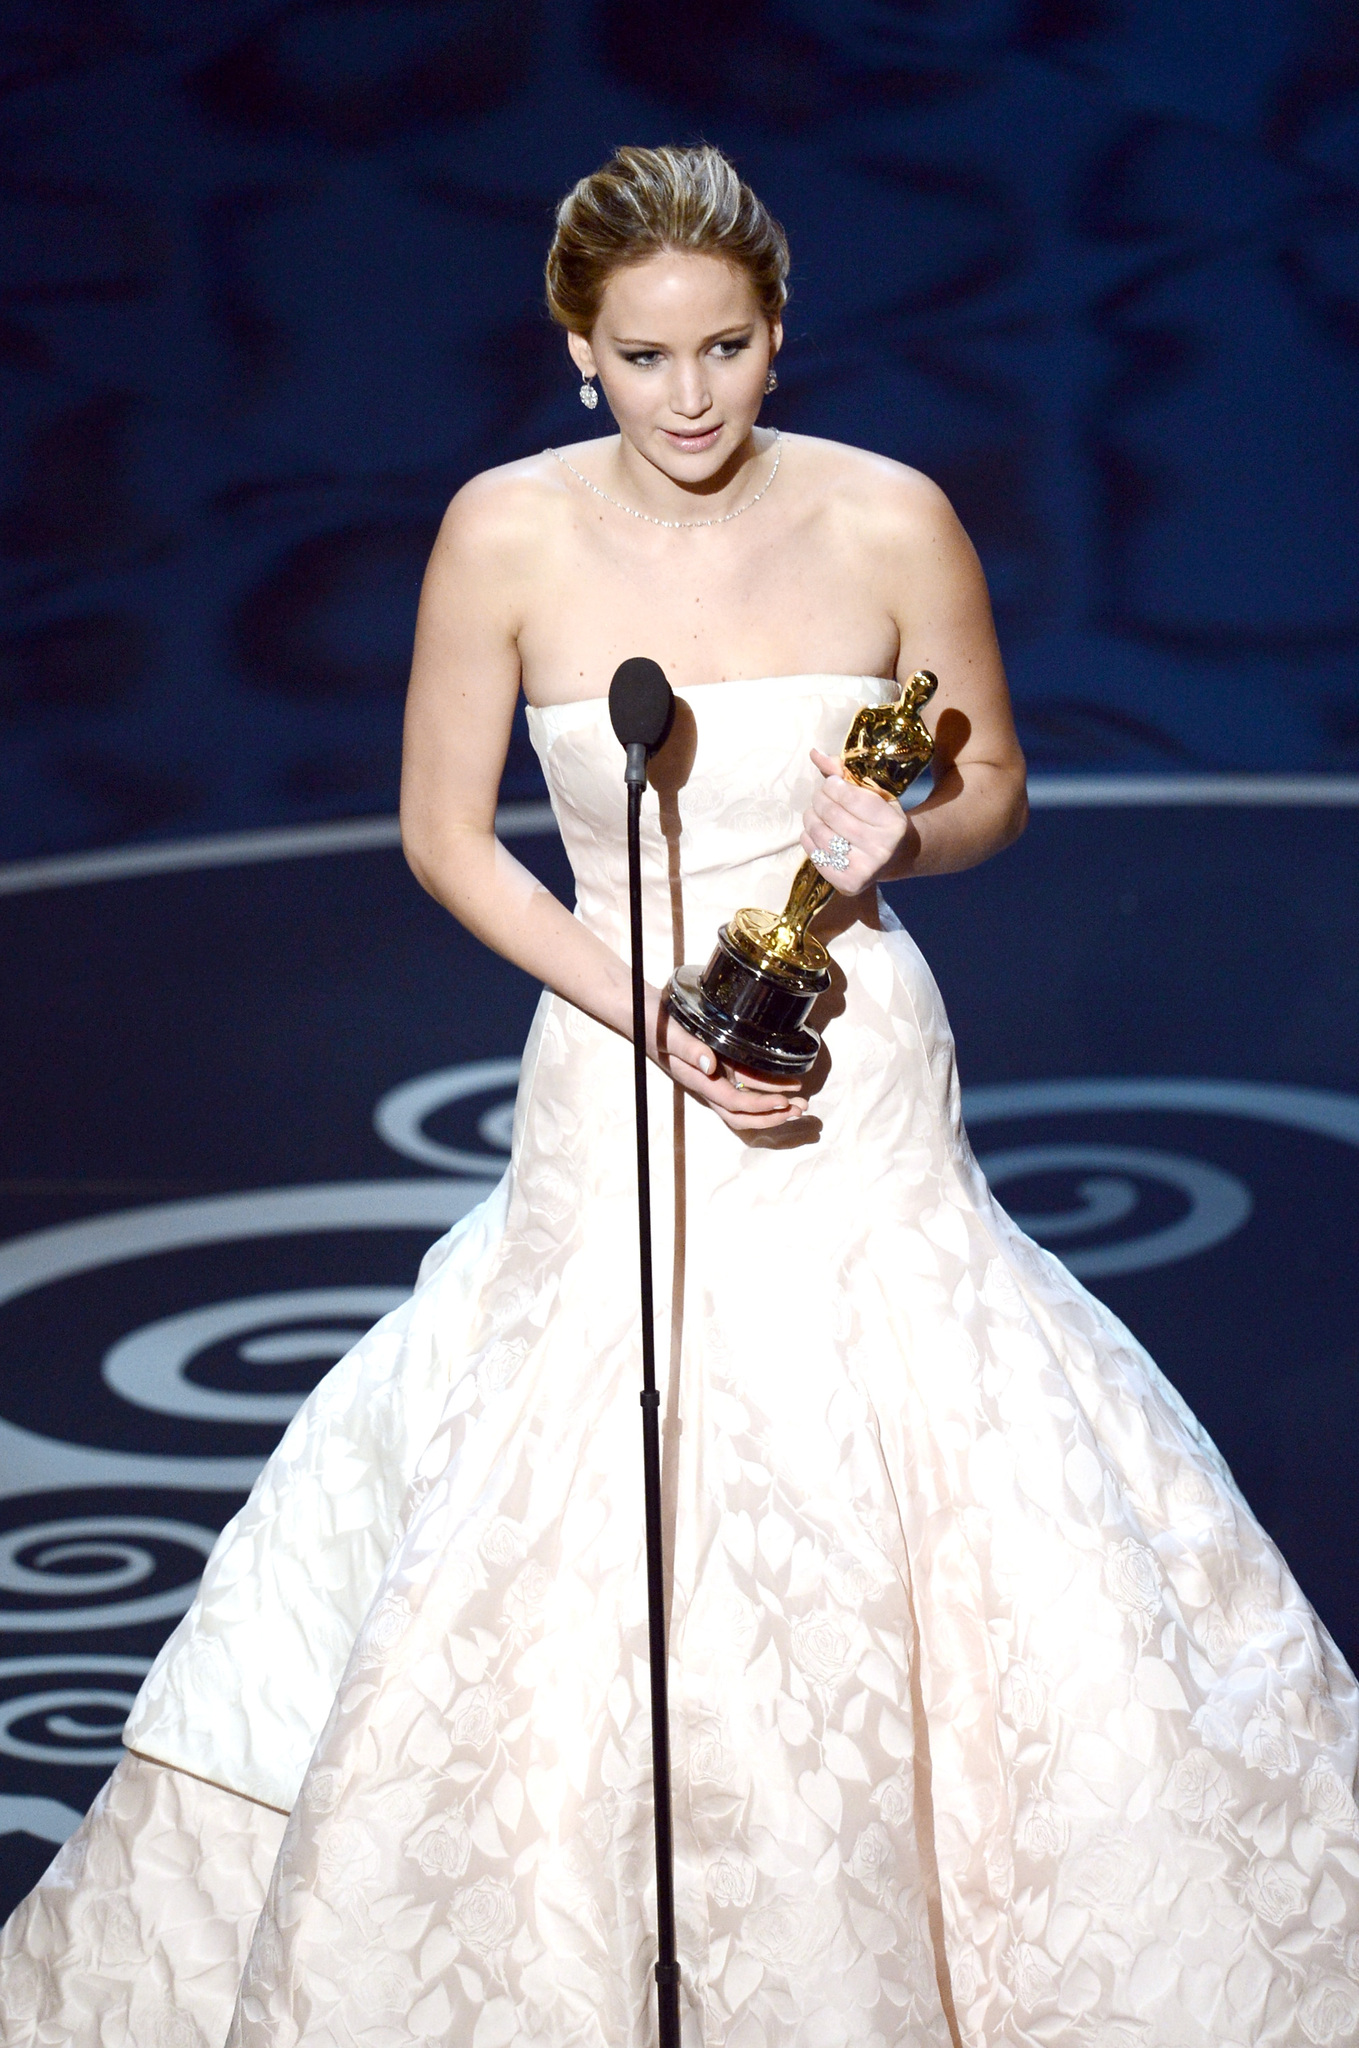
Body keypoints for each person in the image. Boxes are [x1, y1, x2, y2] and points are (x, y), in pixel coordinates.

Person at [3, 143, 1357, 2048]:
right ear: (578, 348)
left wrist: (904, 830)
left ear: (779, 332)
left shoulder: (894, 522)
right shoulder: (503, 533)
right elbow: (446, 839)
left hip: (853, 1065)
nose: (692, 395)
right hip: (614, 1054)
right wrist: (645, 1010)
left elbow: (996, 795)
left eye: (725, 346)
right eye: (647, 356)